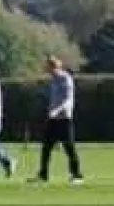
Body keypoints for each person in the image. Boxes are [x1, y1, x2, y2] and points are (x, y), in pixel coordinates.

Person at [32, 56, 85, 185]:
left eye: (49, 68)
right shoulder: (53, 80)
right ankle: (43, 175)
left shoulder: (65, 79)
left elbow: (67, 100)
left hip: (64, 118)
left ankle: (77, 175)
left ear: (55, 67)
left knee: (69, 146)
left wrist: (57, 110)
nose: (48, 71)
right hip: (53, 119)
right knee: (46, 147)